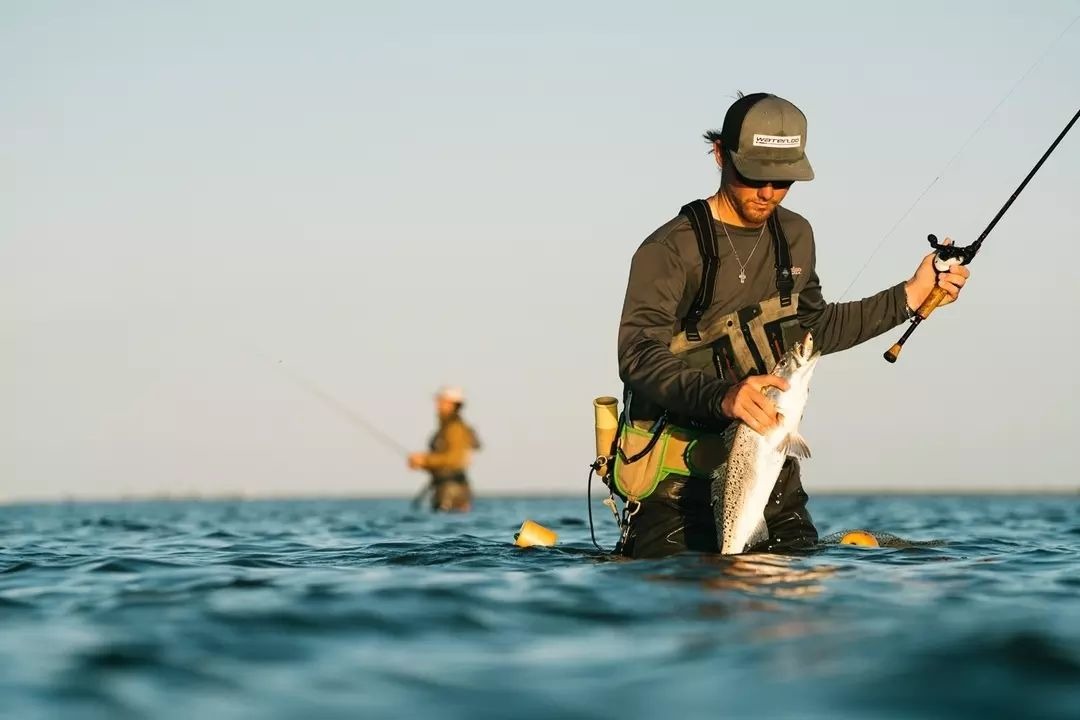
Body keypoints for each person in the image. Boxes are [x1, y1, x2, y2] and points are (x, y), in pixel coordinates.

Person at [614, 92, 970, 558]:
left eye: (783, 180)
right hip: (673, 484)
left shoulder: (795, 235)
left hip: (767, 465)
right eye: (754, 176)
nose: (767, 193)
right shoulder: (668, 250)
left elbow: (814, 332)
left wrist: (910, 295)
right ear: (720, 155)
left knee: (798, 582)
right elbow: (636, 355)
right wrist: (723, 396)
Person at [407, 386, 480, 512]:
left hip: (451, 490)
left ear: (453, 405)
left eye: (441, 401)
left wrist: (424, 460)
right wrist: (423, 463)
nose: (437, 405)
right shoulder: (447, 428)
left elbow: (454, 459)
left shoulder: (455, 428)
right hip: (446, 487)